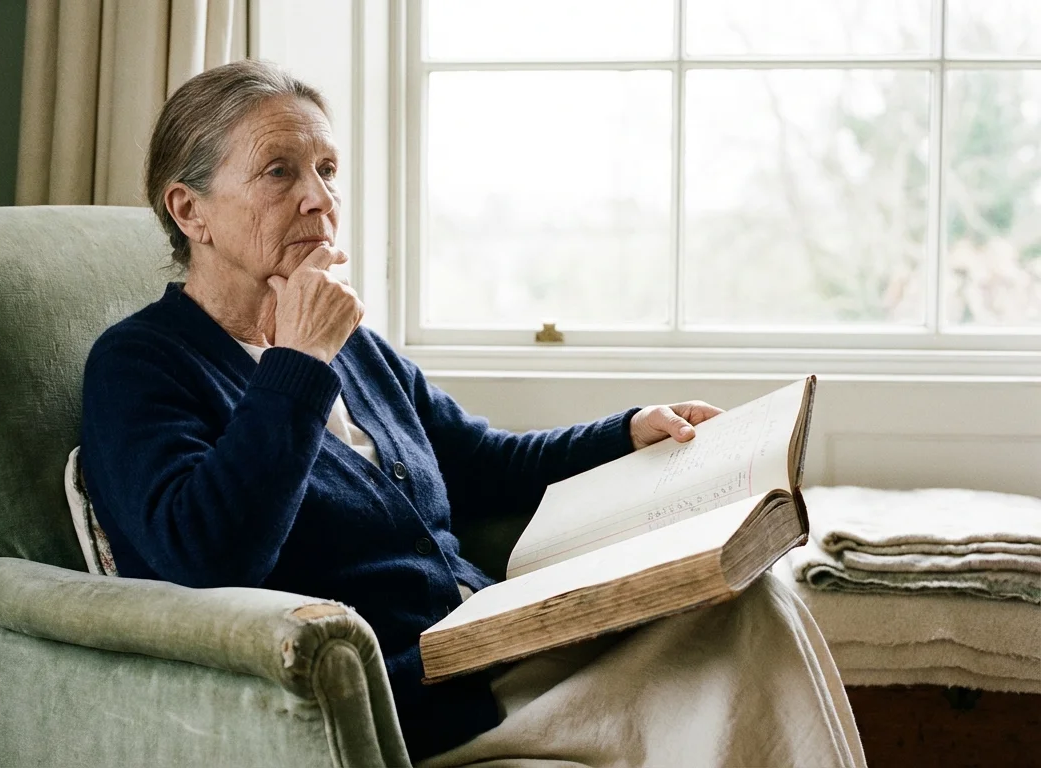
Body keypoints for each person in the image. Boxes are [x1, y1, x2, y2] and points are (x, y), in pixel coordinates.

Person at [79, 60, 864, 767]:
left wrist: (629, 433)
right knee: (739, 641)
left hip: (498, 641)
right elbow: (204, 559)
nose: (319, 198)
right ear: (190, 210)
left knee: (751, 603)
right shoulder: (141, 365)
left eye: (327, 169)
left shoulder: (357, 348)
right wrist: (299, 361)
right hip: (411, 699)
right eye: (280, 172)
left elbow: (480, 463)